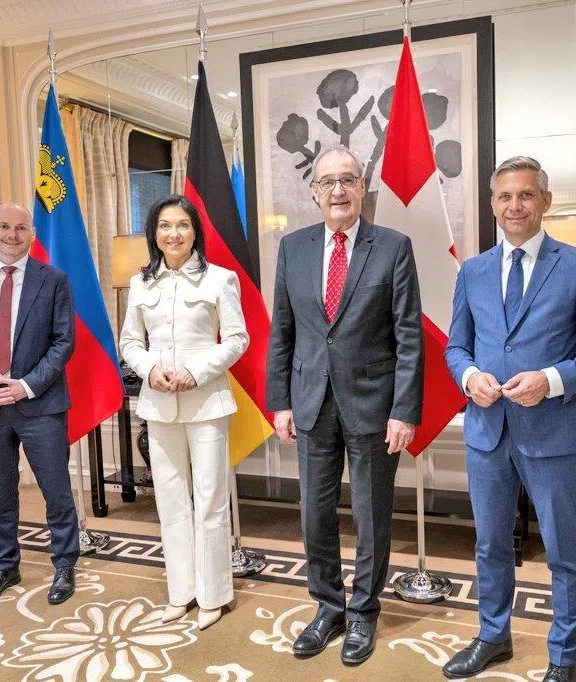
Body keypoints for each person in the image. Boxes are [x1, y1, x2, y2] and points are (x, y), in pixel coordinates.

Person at [443, 157, 576, 682]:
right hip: (486, 432)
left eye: (525, 195)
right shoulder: (472, 271)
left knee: (565, 550)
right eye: (504, 196)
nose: (514, 205)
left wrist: (552, 378)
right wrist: (468, 374)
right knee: (490, 544)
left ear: (545, 202)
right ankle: (493, 637)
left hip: (553, 433)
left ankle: (564, 660)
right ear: (493, 203)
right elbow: (456, 346)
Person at [265, 145, 423, 665]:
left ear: (362, 188)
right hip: (310, 404)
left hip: (375, 407)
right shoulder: (294, 248)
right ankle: (328, 606)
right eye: (328, 181)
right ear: (314, 192)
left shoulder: (394, 247)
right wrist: (279, 401)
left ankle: (363, 613)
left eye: (348, 180)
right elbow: (282, 331)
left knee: (372, 516)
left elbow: (408, 336)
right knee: (314, 515)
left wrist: (404, 410)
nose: (338, 190)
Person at [119, 195, 248, 630]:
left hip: (207, 403)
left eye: (182, 225)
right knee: (171, 502)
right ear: (154, 234)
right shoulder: (141, 284)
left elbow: (236, 339)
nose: (173, 234)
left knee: (210, 501)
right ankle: (181, 592)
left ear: (195, 232)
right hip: (158, 407)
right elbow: (129, 343)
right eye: (164, 226)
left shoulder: (220, 279)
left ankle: (214, 595)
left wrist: (195, 371)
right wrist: (150, 369)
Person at [0, 202, 79, 608]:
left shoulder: (54, 280)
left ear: (33, 235)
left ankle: (64, 564)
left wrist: (24, 385)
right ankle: (5, 565)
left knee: (56, 490)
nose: (12, 234)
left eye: (21, 227)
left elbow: (63, 343)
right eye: (4, 226)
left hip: (40, 405)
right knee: (0, 492)